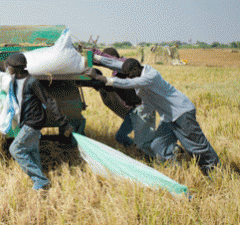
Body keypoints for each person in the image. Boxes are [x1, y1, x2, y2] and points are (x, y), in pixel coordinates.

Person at [86, 57, 219, 176]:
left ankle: (215, 172)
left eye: (130, 75)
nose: (129, 77)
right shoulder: (135, 71)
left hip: (181, 112)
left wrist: (102, 78)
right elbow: (117, 64)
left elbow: (129, 84)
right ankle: (176, 172)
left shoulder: (150, 76)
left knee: (195, 146)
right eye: (127, 75)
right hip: (168, 117)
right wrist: (97, 58)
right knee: (158, 145)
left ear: (137, 69)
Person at [5, 53, 72, 190]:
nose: (7, 68)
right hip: (26, 122)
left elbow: (49, 102)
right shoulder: (14, 80)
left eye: (9, 66)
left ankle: (40, 180)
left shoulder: (32, 82)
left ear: (17, 68)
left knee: (15, 149)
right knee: (32, 151)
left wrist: (63, 123)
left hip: (33, 122)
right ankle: (41, 183)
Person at [92, 48, 156, 158]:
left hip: (142, 108)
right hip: (134, 110)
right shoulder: (118, 70)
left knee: (144, 140)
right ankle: (137, 149)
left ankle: (154, 154)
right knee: (122, 136)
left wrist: (98, 72)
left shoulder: (125, 66)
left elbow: (119, 81)